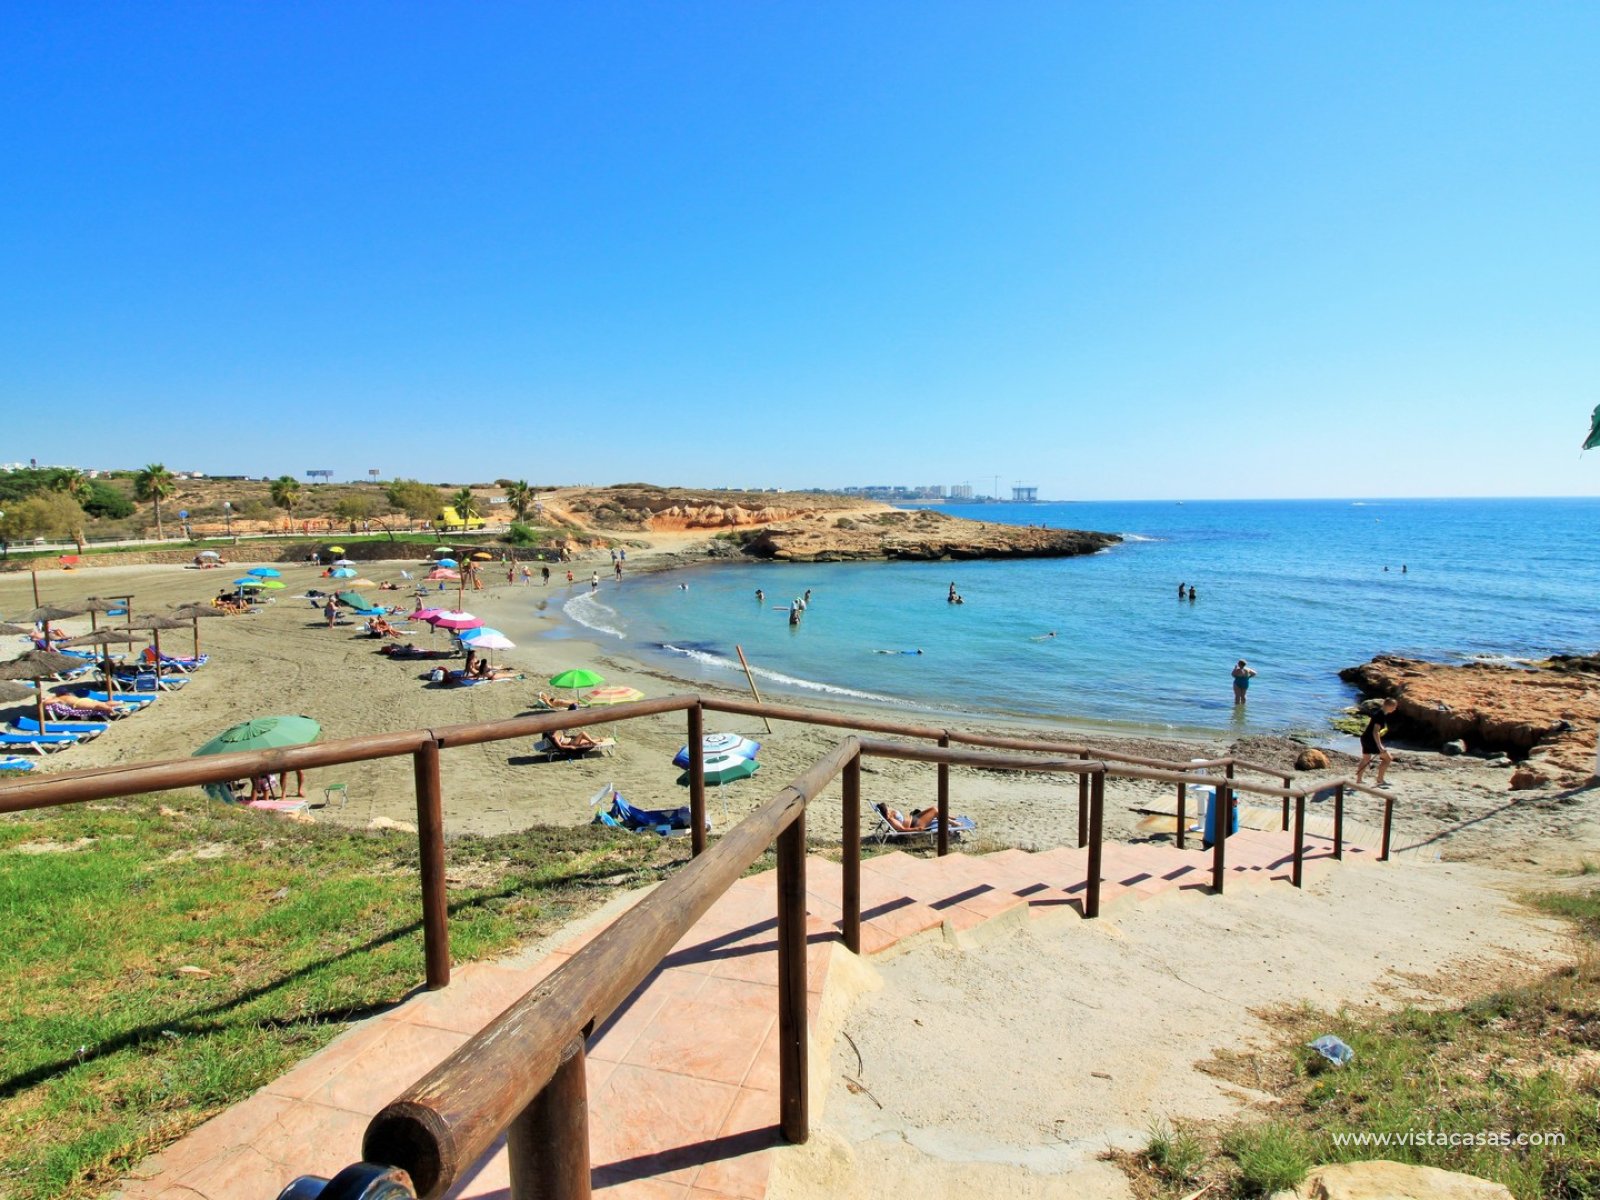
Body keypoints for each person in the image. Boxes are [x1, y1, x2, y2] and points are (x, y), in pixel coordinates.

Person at [1355, 698, 1399, 788]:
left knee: (1366, 759)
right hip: (1371, 740)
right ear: (1388, 706)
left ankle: (1359, 780)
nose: (1395, 709)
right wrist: (1380, 746)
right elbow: (1375, 731)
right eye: (1394, 707)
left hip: (1365, 738)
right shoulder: (1380, 715)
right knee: (1388, 759)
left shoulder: (1380, 713)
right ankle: (1380, 779)